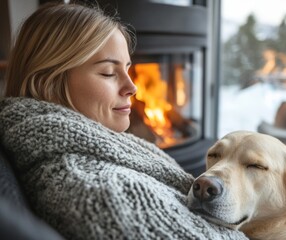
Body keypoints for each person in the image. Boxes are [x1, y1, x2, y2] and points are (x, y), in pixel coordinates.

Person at [0, 3, 248, 240]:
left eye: (128, 69)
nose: (132, 87)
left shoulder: (102, 151)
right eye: (108, 72)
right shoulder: (103, 193)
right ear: (48, 82)